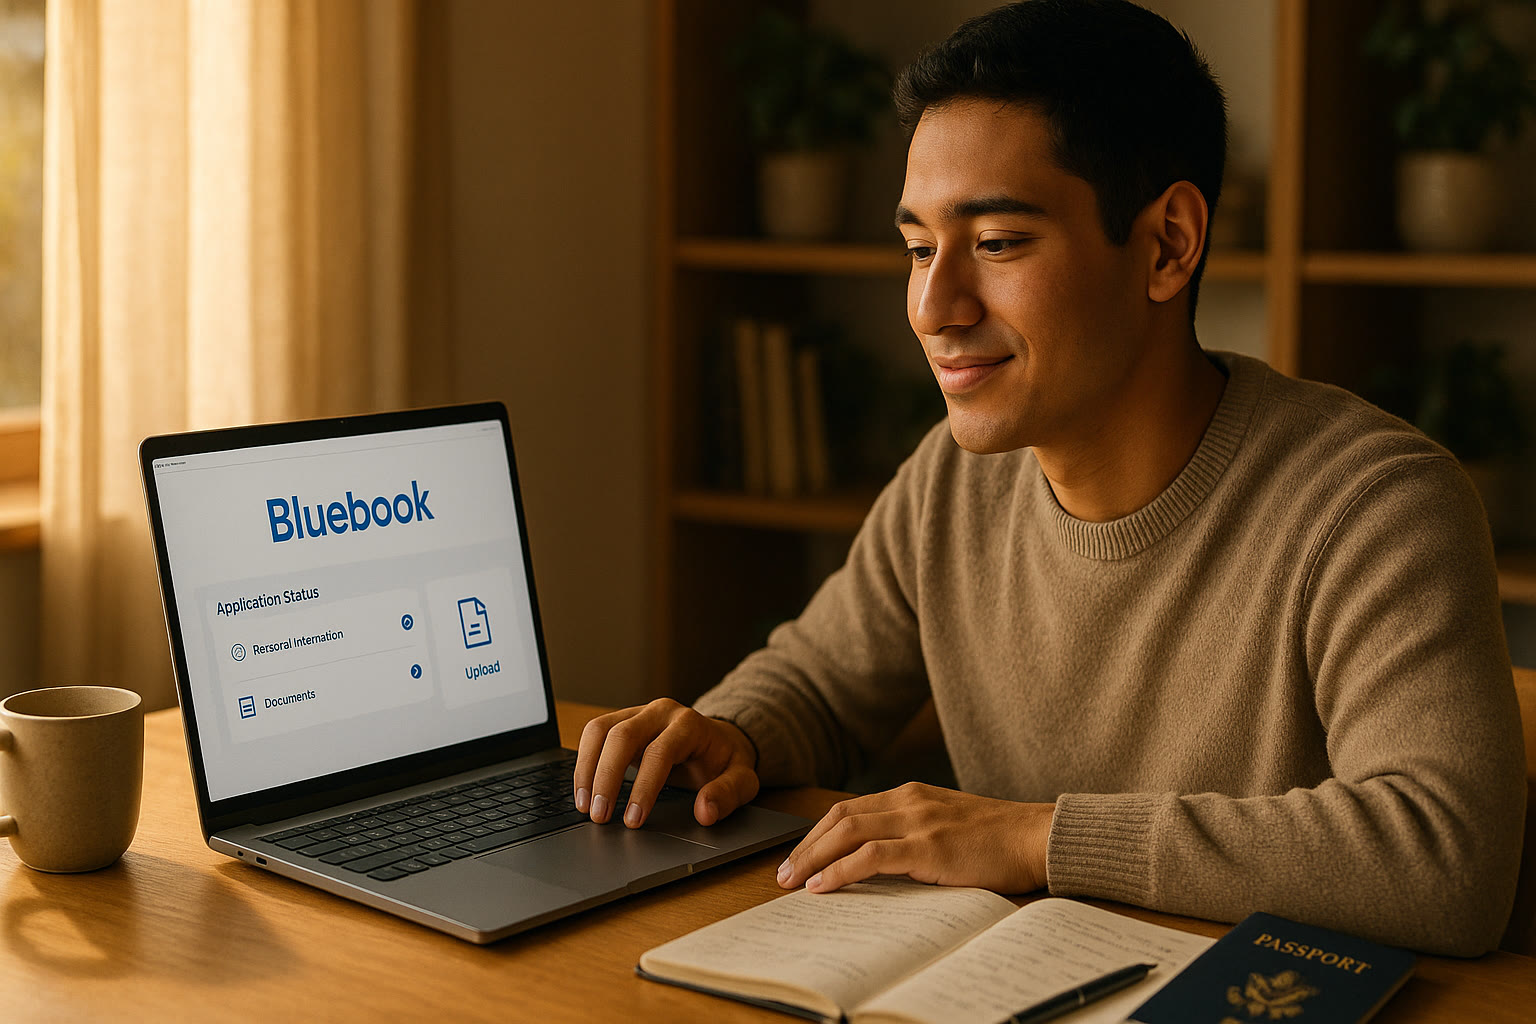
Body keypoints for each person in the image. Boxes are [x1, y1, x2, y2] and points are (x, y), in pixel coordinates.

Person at [573, 0, 1525, 956]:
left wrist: (1033, 838)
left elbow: (1444, 858)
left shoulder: (1377, 505)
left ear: (1168, 245)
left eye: (995, 244)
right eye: (917, 249)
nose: (934, 307)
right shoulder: (951, 483)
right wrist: (732, 733)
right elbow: (820, 683)